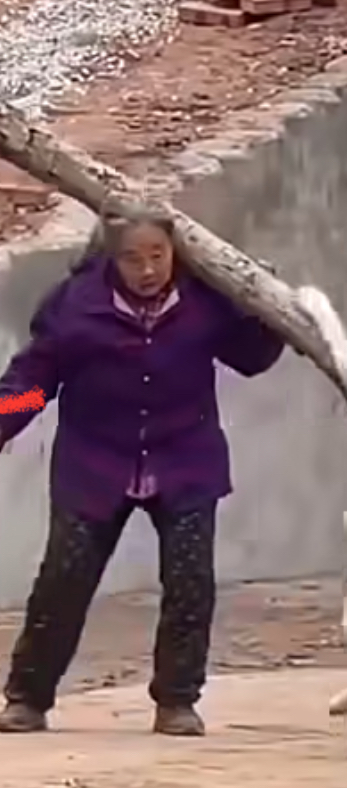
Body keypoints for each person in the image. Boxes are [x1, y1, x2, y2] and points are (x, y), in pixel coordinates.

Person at [0, 207, 286, 736]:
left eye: (158, 256)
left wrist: (266, 309)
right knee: (63, 581)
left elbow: (251, 357)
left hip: (185, 460)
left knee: (189, 582)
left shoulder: (204, 301)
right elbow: (38, 381)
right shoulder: (76, 308)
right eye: (133, 258)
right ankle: (28, 698)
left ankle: (177, 701)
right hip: (95, 463)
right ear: (111, 258)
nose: (148, 270)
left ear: (176, 254)